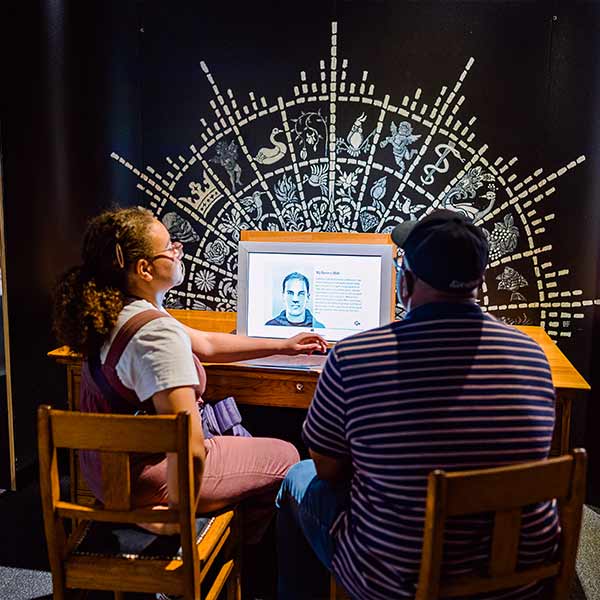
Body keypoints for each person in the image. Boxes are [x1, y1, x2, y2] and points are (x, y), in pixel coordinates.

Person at [276, 209, 559, 600]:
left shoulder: (355, 357)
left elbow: (327, 468)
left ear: (404, 282)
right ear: (478, 280)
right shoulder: (532, 354)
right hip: (518, 576)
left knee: (298, 477)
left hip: (399, 582)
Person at [52, 206, 327, 545]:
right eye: (170, 248)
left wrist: (284, 346)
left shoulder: (121, 312)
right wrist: (176, 521)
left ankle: (217, 536)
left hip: (107, 472)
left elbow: (207, 344)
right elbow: (191, 447)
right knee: (286, 455)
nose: (178, 251)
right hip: (146, 479)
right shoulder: (157, 336)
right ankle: (213, 554)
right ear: (144, 269)